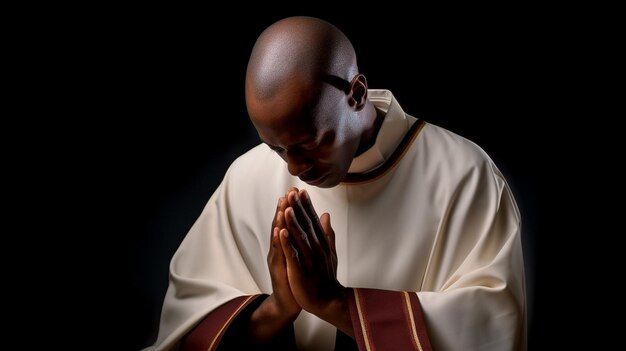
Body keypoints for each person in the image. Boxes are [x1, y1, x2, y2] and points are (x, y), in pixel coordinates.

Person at [144, 16, 527, 351]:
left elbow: (489, 328)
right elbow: (188, 332)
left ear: (357, 94)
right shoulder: (247, 176)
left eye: (310, 144)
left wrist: (337, 304)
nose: (295, 168)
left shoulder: (463, 174)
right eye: (277, 148)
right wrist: (278, 308)